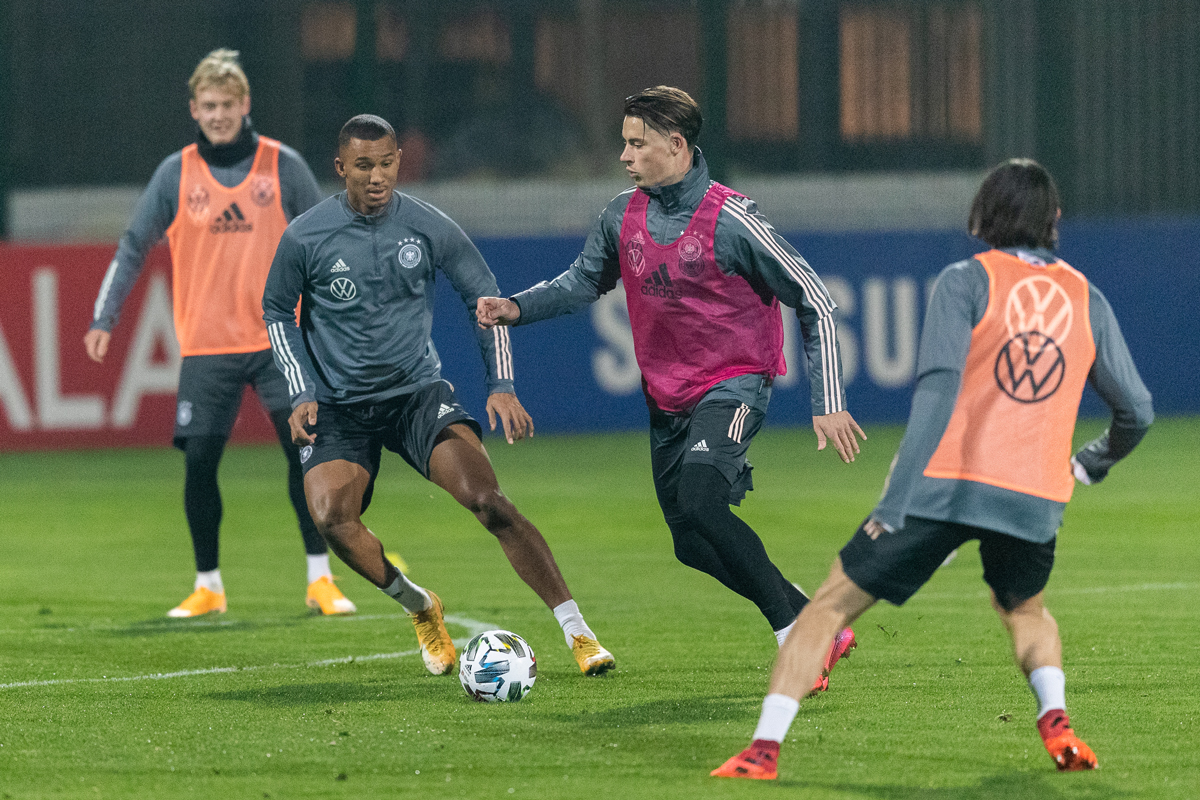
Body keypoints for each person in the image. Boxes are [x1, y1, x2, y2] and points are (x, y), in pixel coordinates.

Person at [712, 159, 1154, 779]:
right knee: (1026, 611)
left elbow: (937, 394)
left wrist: (895, 503)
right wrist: (1091, 461)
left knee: (828, 607)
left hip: (944, 488)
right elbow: (1136, 409)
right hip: (1033, 496)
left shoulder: (965, 280)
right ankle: (1055, 718)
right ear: (1053, 219)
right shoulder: (1088, 297)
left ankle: (764, 750)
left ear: (984, 213)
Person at [477, 86, 866, 686]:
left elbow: (813, 298)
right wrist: (516, 309)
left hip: (733, 384)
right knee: (690, 540)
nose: (625, 156)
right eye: (624, 143)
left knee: (705, 501)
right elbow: (583, 281)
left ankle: (799, 641)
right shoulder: (620, 215)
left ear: (677, 145)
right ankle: (817, 619)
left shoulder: (731, 218)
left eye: (638, 143)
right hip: (667, 397)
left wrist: (828, 403)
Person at [261, 113, 614, 677]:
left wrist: (501, 385)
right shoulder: (305, 235)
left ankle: (580, 633)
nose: (377, 177)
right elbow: (277, 311)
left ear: (399, 160)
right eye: (362, 167)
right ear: (340, 168)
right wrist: (300, 389)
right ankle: (420, 606)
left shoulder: (428, 226)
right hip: (340, 407)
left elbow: (485, 300)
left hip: (416, 396)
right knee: (331, 516)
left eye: (386, 164)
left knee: (488, 501)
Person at [84, 49, 355, 618]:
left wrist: (338, 315)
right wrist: (104, 317)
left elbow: (330, 240)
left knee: (304, 456)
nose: (218, 115)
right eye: (208, 106)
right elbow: (134, 245)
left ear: (245, 105)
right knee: (200, 462)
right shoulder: (176, 173)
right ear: (193, 109)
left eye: (227, 104)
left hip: (279, 342)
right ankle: (208, 584)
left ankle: (320, 579)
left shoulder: (282, 166)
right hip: (207, 345)